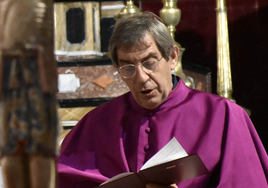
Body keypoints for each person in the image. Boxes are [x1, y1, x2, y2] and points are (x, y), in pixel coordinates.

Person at [57, 12, 268, 188]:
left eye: (149, 62)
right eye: (128, 67)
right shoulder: (96, 124)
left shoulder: (223, 116)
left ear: (172, 58)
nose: (141, 77)